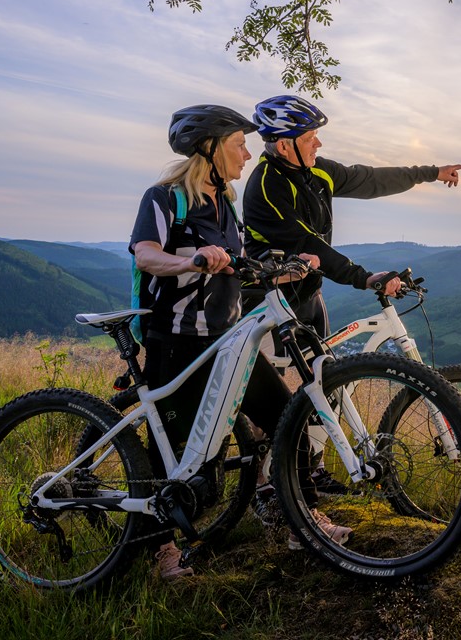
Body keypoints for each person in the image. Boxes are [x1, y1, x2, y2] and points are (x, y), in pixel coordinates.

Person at [129, 104, 350, 581]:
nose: (248, 153)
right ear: (208, 149)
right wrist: (191, 262)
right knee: (171, 449)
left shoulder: (223, 203)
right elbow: (146, 254)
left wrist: (288, 267)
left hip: (227, 343)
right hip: (178, 340)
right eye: (238, 144)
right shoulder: (166, 197)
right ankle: (160, 549)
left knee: (286, 417)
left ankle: (303, 522)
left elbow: (243, 261)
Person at [242, 94, 461, 337]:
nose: (318, 144)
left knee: (322, 371)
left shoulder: (317, 170)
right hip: (270, 300)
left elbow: (371, 180)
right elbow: (307, 243)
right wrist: (365, 278)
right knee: (269, 374)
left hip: (309, 292)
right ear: (284, 146)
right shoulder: (266, 187)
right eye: (309, 138)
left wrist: (432, 173)